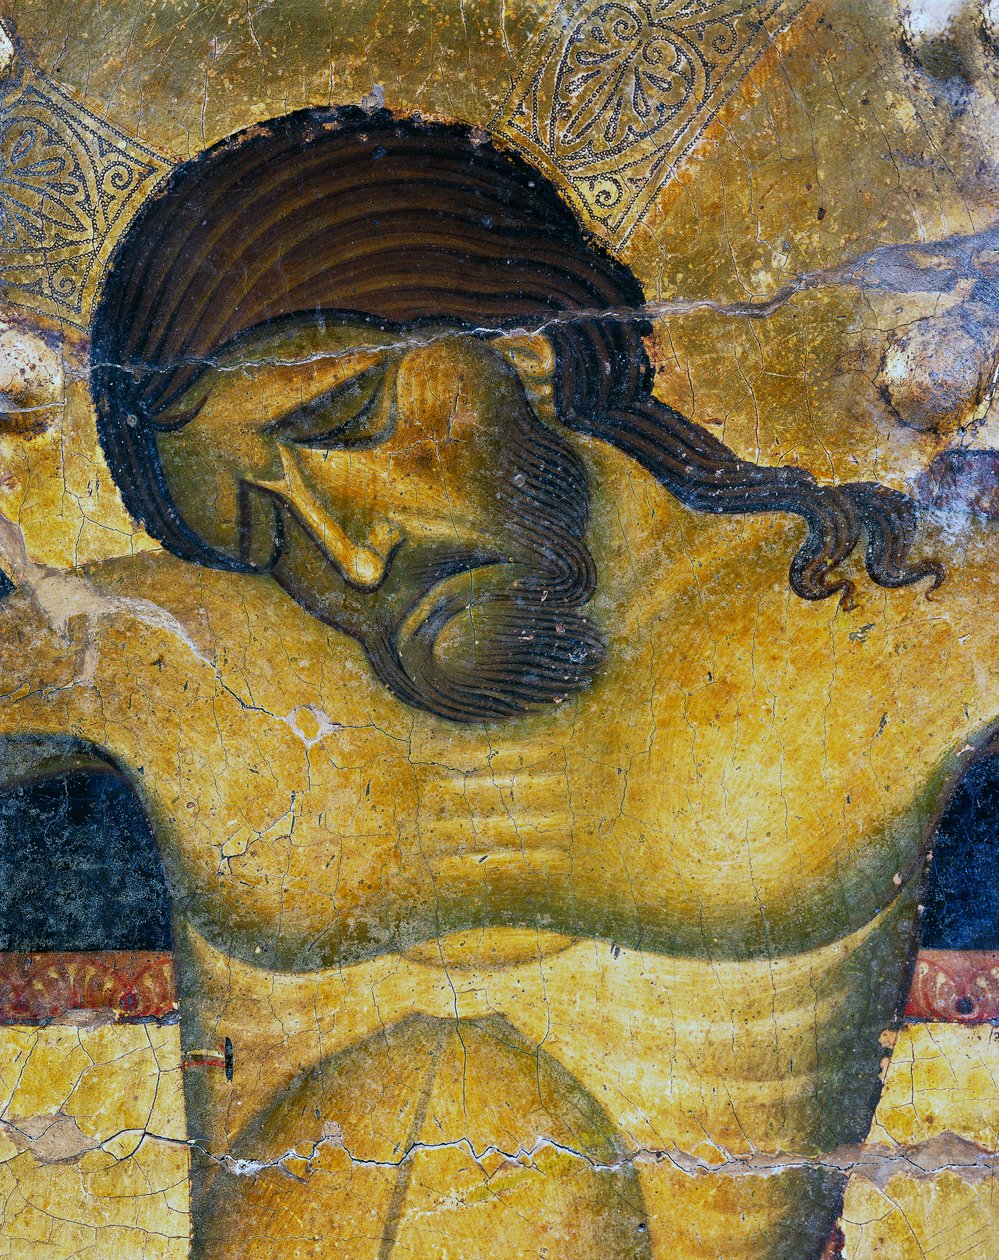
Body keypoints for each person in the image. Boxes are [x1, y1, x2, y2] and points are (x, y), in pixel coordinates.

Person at [1, 105, 997, 1257]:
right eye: (257, 530)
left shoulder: (894, 622)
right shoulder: (159, 646)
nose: (350, 557)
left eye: (349, 420)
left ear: (527, 342)